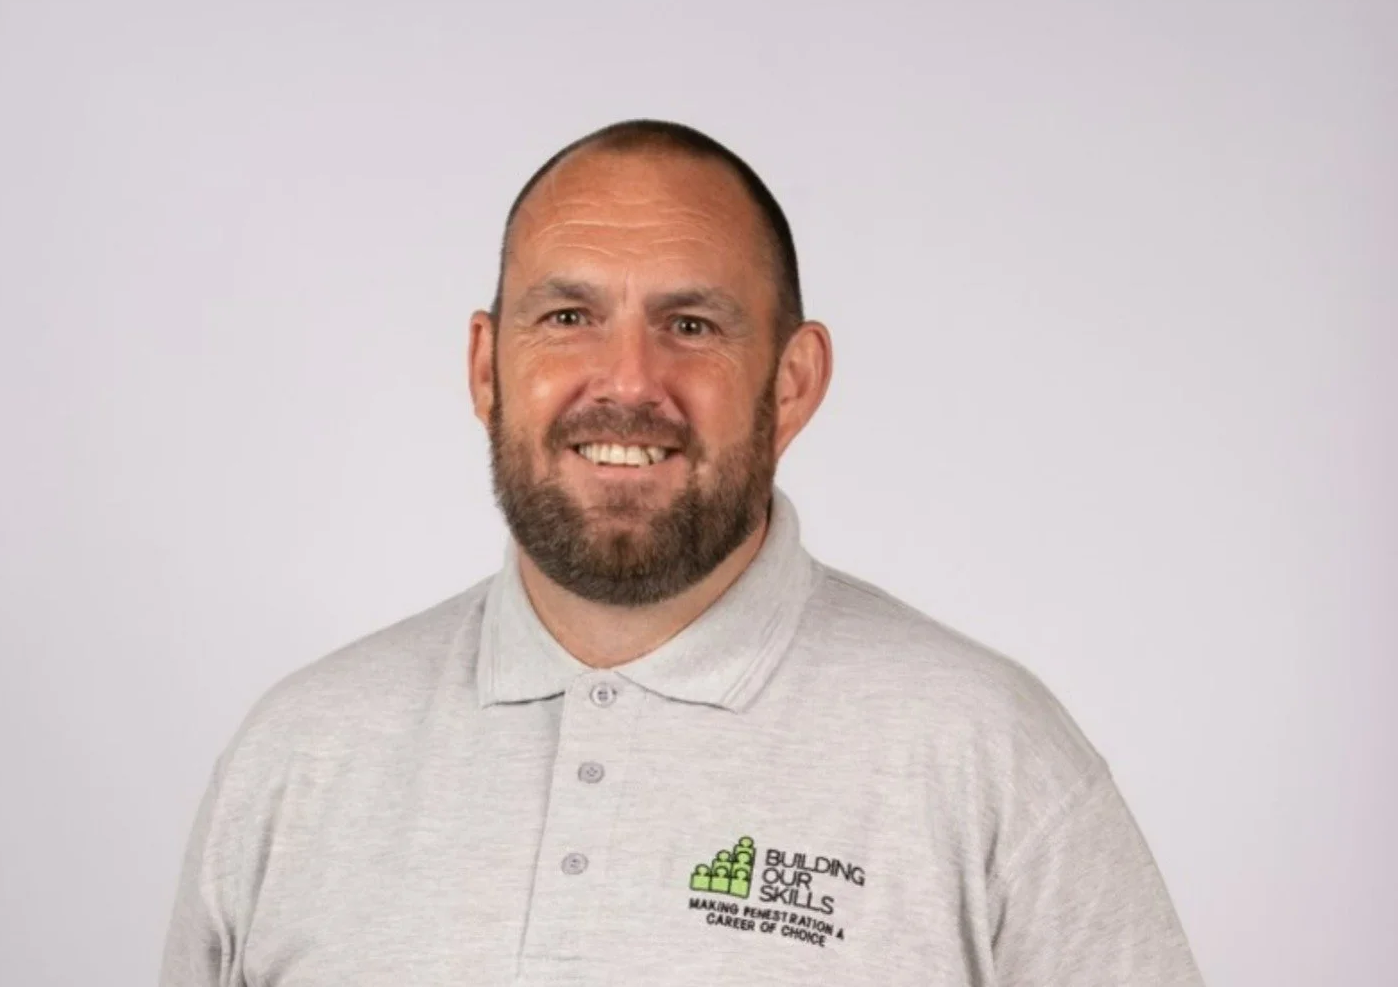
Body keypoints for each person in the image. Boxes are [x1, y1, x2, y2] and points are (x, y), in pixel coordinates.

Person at [159, 119, 1204, 986]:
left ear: (792, 383)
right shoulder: (298, 758)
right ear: (486, 367)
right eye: (568, 315)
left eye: (693, 324)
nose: (627, 380)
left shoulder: (989, 758)